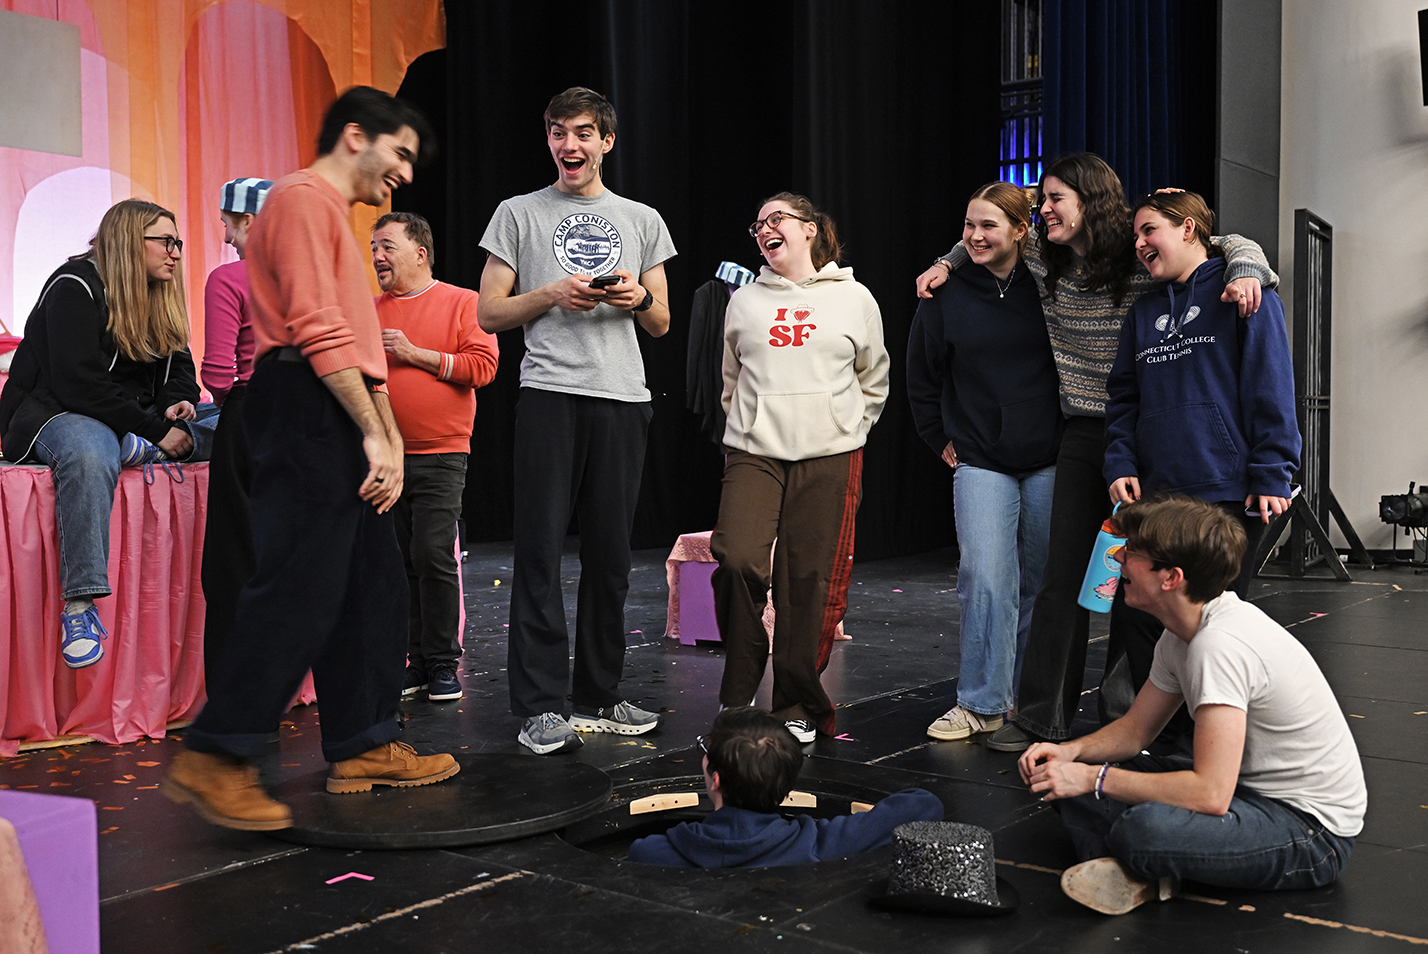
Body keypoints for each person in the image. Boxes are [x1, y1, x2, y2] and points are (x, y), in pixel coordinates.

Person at [165, 86, 458, 831]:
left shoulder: (326, 214)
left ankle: (365, 742)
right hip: (304, 402)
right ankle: (218, 752)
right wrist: (370, 428)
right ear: (356, 136)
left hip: (333, 400)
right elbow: (319, 332)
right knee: (301, 582)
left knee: (373, 581)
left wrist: (385, 431)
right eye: (399, 154)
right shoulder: (300, 199)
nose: (405, 174)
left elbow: (357, 345)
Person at [914, 153, 1276, 752]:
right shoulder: (1042, 257)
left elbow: (1217, 238)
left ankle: (1140, 713)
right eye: (1041, 202)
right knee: (1060, 576)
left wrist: (1248, 265)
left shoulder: (1140, 259)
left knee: (1145, 580)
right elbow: (992, 236)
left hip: (1148, 428)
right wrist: (945, 260)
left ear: (1091, 201)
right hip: (1082, 431)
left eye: (1056, 198)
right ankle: (1038, 717)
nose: (1044, 210)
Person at [1019, 496, 1364, 915]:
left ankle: (1140, 863)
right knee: (1060, 780)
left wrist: (1093, 778)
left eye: (1132, 554)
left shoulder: (1217, 646)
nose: (1119, 559)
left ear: (1171, 577)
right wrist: (1070, 753)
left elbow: (1211, 793)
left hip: (1311, 834)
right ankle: (1142, 870)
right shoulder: (1180, 633)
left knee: (1138, 827)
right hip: (1243, 791)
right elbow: (1134, 732)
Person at [478, 86, 676, 755]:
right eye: (559, 132)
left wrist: (636, 293)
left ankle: (598, 693)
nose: (570, 145)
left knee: (611, 558)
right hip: (550, 396)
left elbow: (662, 320)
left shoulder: (641, 217)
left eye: (584, 133)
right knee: (538, 553)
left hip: (623, 399)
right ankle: (540, 705)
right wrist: (549, 293)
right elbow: (488, 313)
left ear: (607, 141)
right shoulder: (518, 213)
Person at [1101, 188, 1300, 716]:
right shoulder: (1142, 312)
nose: (1139, 243)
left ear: (1189, 228)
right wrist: (1120, 462)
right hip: (1159, 493)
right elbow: (1123, 397)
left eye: (1150, 230)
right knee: (1140, 618)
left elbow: (1271, 386)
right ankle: (1151, 741)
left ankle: (1216, 739)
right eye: (1135, 235)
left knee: (1214, 626)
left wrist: (1272, 471)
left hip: (1229, 492)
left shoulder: (1245, 292)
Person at [0, 198, 217, 670]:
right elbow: (77, 383)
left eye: (177, 242)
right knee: (91, 449)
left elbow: (182, 368)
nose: (175, 252)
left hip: (134, 419)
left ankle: (137, 446)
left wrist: (174, 405)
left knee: (235, 419)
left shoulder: (158, 290)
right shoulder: (74, 285)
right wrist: (157, 430)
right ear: (127, 241)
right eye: (165, 241)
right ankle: (80, 606)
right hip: (59, 412)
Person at [712, 193, 889, 744]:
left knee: (806, 581)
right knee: (738, 559)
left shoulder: (855, 297)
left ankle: (795, 703)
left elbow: (873, 377)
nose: (765, 229)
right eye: (757, 223)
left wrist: (846, 427)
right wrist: (748, 425)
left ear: (810, 230)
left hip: (829, 452)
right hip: (755, 449)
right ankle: (738, 695)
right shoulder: (743, 301)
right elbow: (730, 379)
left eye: (777, 219)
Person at [906, 182, 1061, 742]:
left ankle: (1031, 700)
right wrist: (937, 437)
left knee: (1042, 584)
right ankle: (981, 702)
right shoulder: (944, 292)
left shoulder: (1054, 283)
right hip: (980, 458)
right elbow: (921, 375)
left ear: (1022, 231)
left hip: (1050, 456)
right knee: (985, 576)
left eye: (988, 226)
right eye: (968, 225)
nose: (974, 236)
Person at [373, 211, 499, 703]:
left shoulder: (463, 302)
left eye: (387, 246)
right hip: (386, 458)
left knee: (431, 555)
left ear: (420, 253)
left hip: (442, 454)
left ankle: (444, 663)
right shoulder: (369, 309)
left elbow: (483, 367)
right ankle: (417, 663)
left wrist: (413, 353)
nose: (378, 256)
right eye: (374, 248)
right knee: (399, 560)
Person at [628, 707, 943, 867]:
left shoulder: (654, 852)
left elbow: (639, 853)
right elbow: (924, 804)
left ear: (717, 779)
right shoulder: (818, 845)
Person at [200, 176, 273, 688]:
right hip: (309, 419)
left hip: (249, 414)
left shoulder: (228, 280)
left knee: (232, 558)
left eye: (227, 221)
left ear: (248, 221)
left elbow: (217, 374)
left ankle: (237, 694)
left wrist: (227, 401)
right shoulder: (312, 277)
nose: (224, 233)